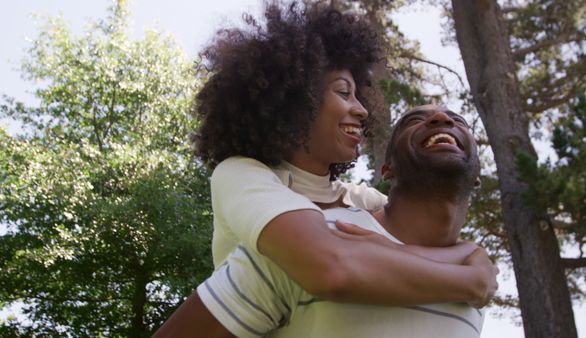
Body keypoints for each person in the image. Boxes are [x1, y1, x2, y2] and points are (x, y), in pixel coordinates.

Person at [153, 2, 497, 337]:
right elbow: (328, 265)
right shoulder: (243, 174)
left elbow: (417, 228)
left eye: (359, 96)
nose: (361, 110)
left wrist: (476, 257)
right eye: (344, 92)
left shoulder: (360, 200)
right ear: (295, 100)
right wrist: (471, 280)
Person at [187, 105, 490, 338]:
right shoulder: (304, 244)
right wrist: (473, 279)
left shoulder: (473, 290)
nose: (441, 118)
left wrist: (470, 259)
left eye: (458, 120)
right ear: (388, 170)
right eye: (414, 120)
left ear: (478, 178)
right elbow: (332, 266)